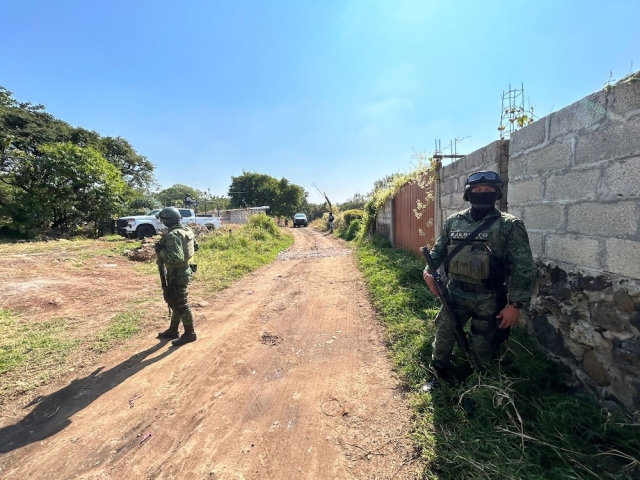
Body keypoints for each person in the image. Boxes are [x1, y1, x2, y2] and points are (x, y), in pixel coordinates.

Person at [422, 171, 535, 389]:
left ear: (497, 193)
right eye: (477, 190)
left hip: (489, 297)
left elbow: (524, 266)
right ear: (469, 193)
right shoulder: (454, 222)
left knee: (483, 345)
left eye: (489, 190)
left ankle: (482, 387)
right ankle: (438, 374)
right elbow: (437, 252)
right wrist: (428, 272)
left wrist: (515, 305)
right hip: (455, 292)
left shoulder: (509, 225)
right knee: (444, 336)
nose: (483, 193)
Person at [155, 207, 199, 346]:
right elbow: (195, 246)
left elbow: (176, 258)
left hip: (177, 273)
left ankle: (190, 333)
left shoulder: (173, 235)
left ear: (166, 220)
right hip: (184, 270)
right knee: (175, 301)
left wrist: (161, 251)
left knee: (181, 304)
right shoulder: (186, 230)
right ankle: (173, 330)